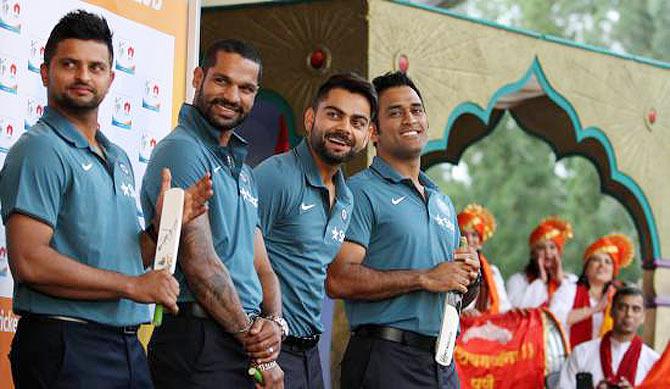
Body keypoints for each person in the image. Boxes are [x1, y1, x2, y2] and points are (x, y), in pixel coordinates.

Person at [0, 10, 211, 388]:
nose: (84, 76)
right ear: (46, 71)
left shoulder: (118, 158)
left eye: (96, 67)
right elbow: (28, 261)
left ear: (111, 79)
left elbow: (128, 259)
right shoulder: (39, 150)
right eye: (70, 64)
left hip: (124, 344)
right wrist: (132, 286)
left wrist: (161, 229)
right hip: (66, 343)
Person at [140, 39, 283, 388]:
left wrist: (275, 324)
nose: (233, 96)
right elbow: (201, 267)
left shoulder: (244, 169)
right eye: (222, 81)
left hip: (236, 339)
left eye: (246, 88)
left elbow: (262, 266)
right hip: (198, 340)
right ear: (198, 77)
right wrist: (258, 348)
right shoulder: (183, 151)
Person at [326, 71, 480, 389]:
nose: (410, 119)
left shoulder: (441, 201)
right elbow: (338, 278)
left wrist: (470, 278)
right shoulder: (359, 192)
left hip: (442, 362)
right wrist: (424, 277)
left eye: (416, 109)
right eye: (395, 112)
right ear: (373, 132)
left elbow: (455, 293)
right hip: (386, 359)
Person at [254, 73, 375, 388]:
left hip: (309, 354)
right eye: (334, 114)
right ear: (310, 118)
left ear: (368, 135)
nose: (344, 128)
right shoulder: (276, 176)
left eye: (357, 122)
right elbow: (235, 260)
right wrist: (262, 358)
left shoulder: (346, 197)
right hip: (268, 351)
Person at [558, 286, 659, 389]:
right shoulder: (582, 353)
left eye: (636, 309)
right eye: (622, 307)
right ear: (611, 311)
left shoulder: (653, 362)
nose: (629, 314)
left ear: (643, 317)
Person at [550, 233, 633, 349]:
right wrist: (596, 309)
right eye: (596, 260)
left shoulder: (616, 300)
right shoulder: (569, 289)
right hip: (568, 359)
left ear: (613, 272)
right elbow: (554, 319)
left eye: (608, 262)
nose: (602, 265)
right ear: (586, 268)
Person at [507, 217, 576, 308]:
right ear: (533, 253)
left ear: (559, 252)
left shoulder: (571, 281)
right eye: (541, 248)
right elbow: (517, 312)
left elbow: (571, 313)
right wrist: (540, 281)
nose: (547, 252)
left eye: (552, 247)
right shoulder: (518, 280)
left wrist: (561, 282)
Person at [458, 203, 511, 315]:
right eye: (463, 234)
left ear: (480, 242)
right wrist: (462, 312)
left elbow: (504, 309)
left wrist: (481, 317)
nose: (469, 239)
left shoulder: (492, 273)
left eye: (474, 235)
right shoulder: (448, 266)